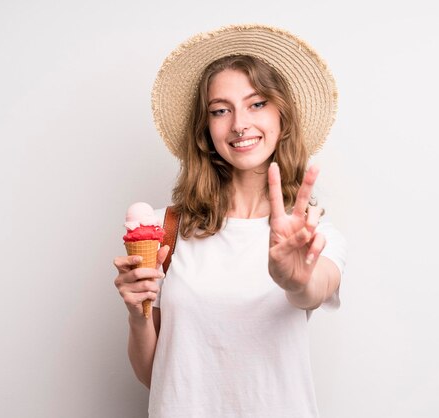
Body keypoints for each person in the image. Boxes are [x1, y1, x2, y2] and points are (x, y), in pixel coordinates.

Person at [113, 24, 347, 417]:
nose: (239, 123)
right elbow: (156, 375)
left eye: (256, 104)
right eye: (221, 110)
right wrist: (137, 315)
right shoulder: (163, 230)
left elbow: (315, 289)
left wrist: (296, 279)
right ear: (206, 131)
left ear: (282, 118)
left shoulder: (313, 235)